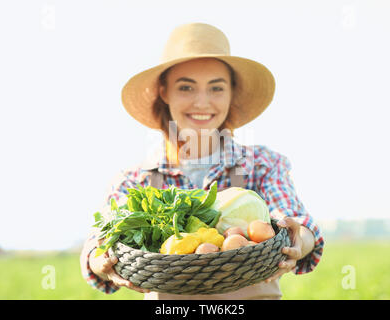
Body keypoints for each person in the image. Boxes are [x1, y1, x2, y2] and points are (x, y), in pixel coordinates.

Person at [80, 22, 324, 299]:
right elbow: (97, 244)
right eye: (186, 87)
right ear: (164, 92)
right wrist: (99, 261)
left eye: (216, 88)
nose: (202, 102)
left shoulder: (261, 165)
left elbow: (294, 219)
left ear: (232, 93)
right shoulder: (138, 180)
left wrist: (299, 240)